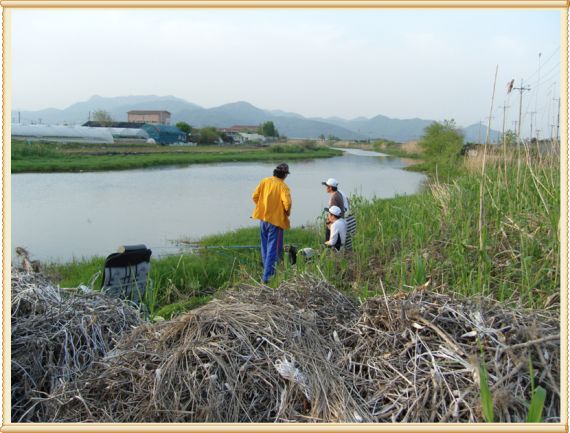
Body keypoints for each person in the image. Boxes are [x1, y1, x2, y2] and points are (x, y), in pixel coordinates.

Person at [252, 163, 292, 283]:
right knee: (273, 249)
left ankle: (267, 272)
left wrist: (263, 207)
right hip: (276, 221)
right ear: (284, 175)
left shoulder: (265, 181)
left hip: (263, 220)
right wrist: (286, 213)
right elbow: (288, 204)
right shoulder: (283, 186)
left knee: (265, 247)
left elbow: (255, 196)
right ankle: (267, 278)